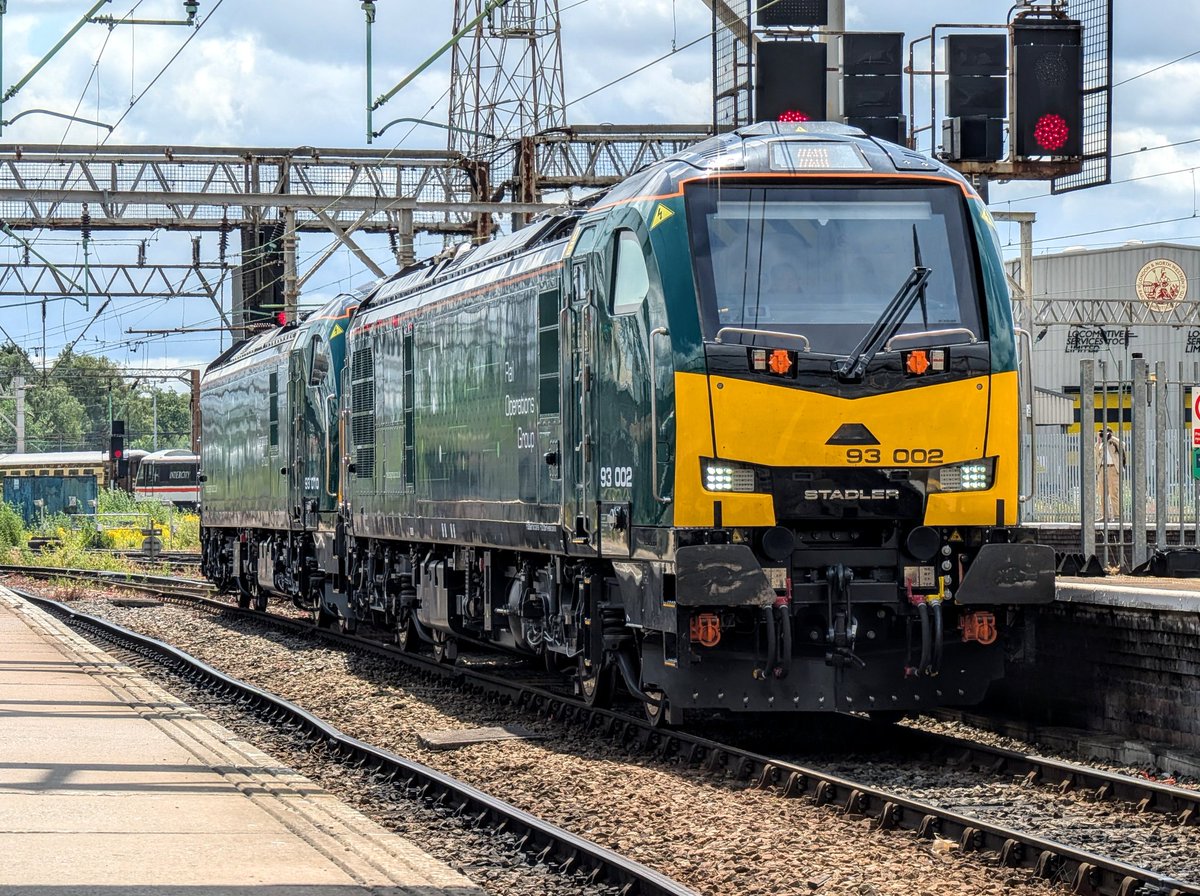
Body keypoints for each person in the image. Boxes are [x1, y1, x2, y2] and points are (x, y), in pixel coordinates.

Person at [1095, 427, 1126, 522]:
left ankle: (1117, 516)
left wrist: (1111, 438)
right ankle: (1105, 516)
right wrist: (1098, 441)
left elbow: (1123, 445)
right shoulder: (1100, 445)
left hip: (1113, 469)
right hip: (1102, 469)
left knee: (1114, 493)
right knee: (1102, 494)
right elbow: (1095, 454)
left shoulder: (1114, 443)